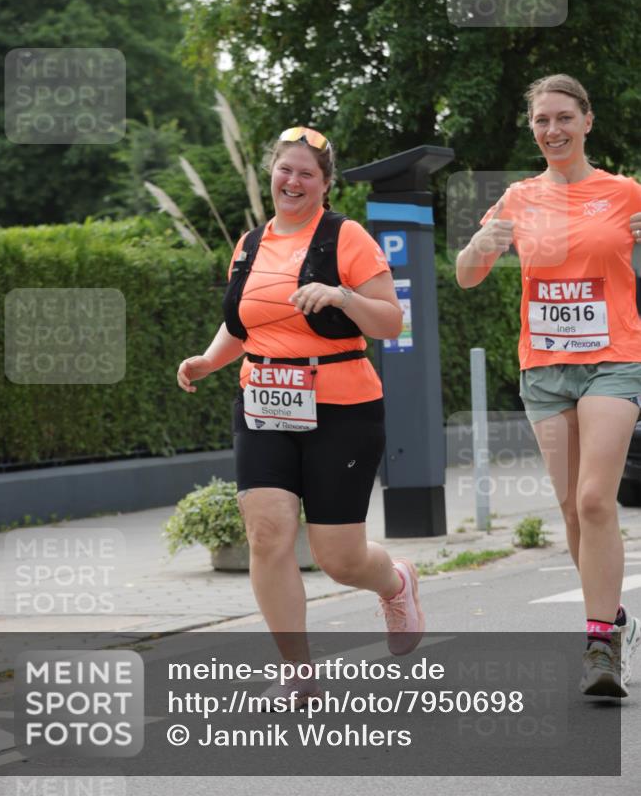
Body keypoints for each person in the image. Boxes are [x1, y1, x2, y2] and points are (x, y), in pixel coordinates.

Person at [177, 126, 425, 706]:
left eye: (306, 173)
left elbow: (391, 321)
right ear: (272, 173)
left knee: (339, 558)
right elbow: (243, 325)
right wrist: (208, 360)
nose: (293, 181)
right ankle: (298, 670)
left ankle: (396, 582)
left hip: (343, 408)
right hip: (262, 400)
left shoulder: (347, 238)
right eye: (285, 169)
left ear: (325, 184)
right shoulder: (249, 244)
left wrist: (342, 297)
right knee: (267, 535)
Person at [456, 74, 641, 698]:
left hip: (615, 358)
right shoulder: (517, 197)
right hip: (545, 367)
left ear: (588, 121)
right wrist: (480, 244)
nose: (553, 130)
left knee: (593, 500)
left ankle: (599, 647)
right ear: (532, 129)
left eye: (564, 117)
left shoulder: (624, 193)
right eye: (542, 121)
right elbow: (467, 276)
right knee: (568, 508)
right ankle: (612, 620)